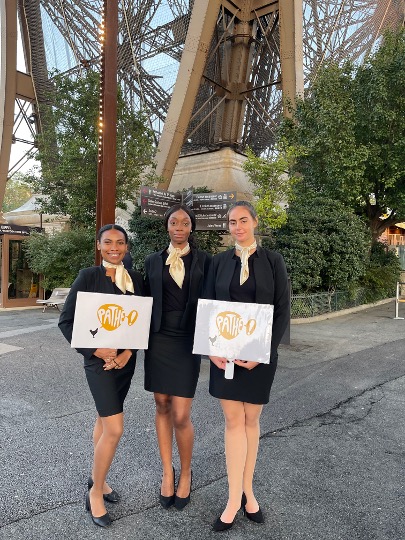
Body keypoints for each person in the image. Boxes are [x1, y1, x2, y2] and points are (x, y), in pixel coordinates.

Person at [204, 201, 290, 532]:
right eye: (231, 222)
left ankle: (247, 491)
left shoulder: (272, 261)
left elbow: (282, 310)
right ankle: (231, 498)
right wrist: (210, 349)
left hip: (259, 356)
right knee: (232, 420)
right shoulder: (219, 262)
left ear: (254, 221)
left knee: (251, 420)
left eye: (243, 220)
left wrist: (262, 353)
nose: (237, 226)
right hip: (223, 353)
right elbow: (208, 304)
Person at [58, 224, 144, 528]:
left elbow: (140, 324)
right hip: (98, 365)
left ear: (127, 246)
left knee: (102, 421)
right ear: (99, 245)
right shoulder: (88, 277)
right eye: (108, 242)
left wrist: (124, 355)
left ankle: (100, 478)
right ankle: (95, 493)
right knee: (115, 428)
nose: (114, 247)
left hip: (124, 364)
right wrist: (97, 352)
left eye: (120, 242)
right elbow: (66, 322)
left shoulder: (135, 279)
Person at [144, 204, 211, 510]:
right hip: (158, 339)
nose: (179, 227)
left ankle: (186, 473)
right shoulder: (152, 261)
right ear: (167, 227)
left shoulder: (205, 261)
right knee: (161, 404)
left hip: (187, 340)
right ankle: (167, 472)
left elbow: (216, 297)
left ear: (191, 228)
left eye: (185, 223)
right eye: (174, 222)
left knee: (181, 414)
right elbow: (140, 301)